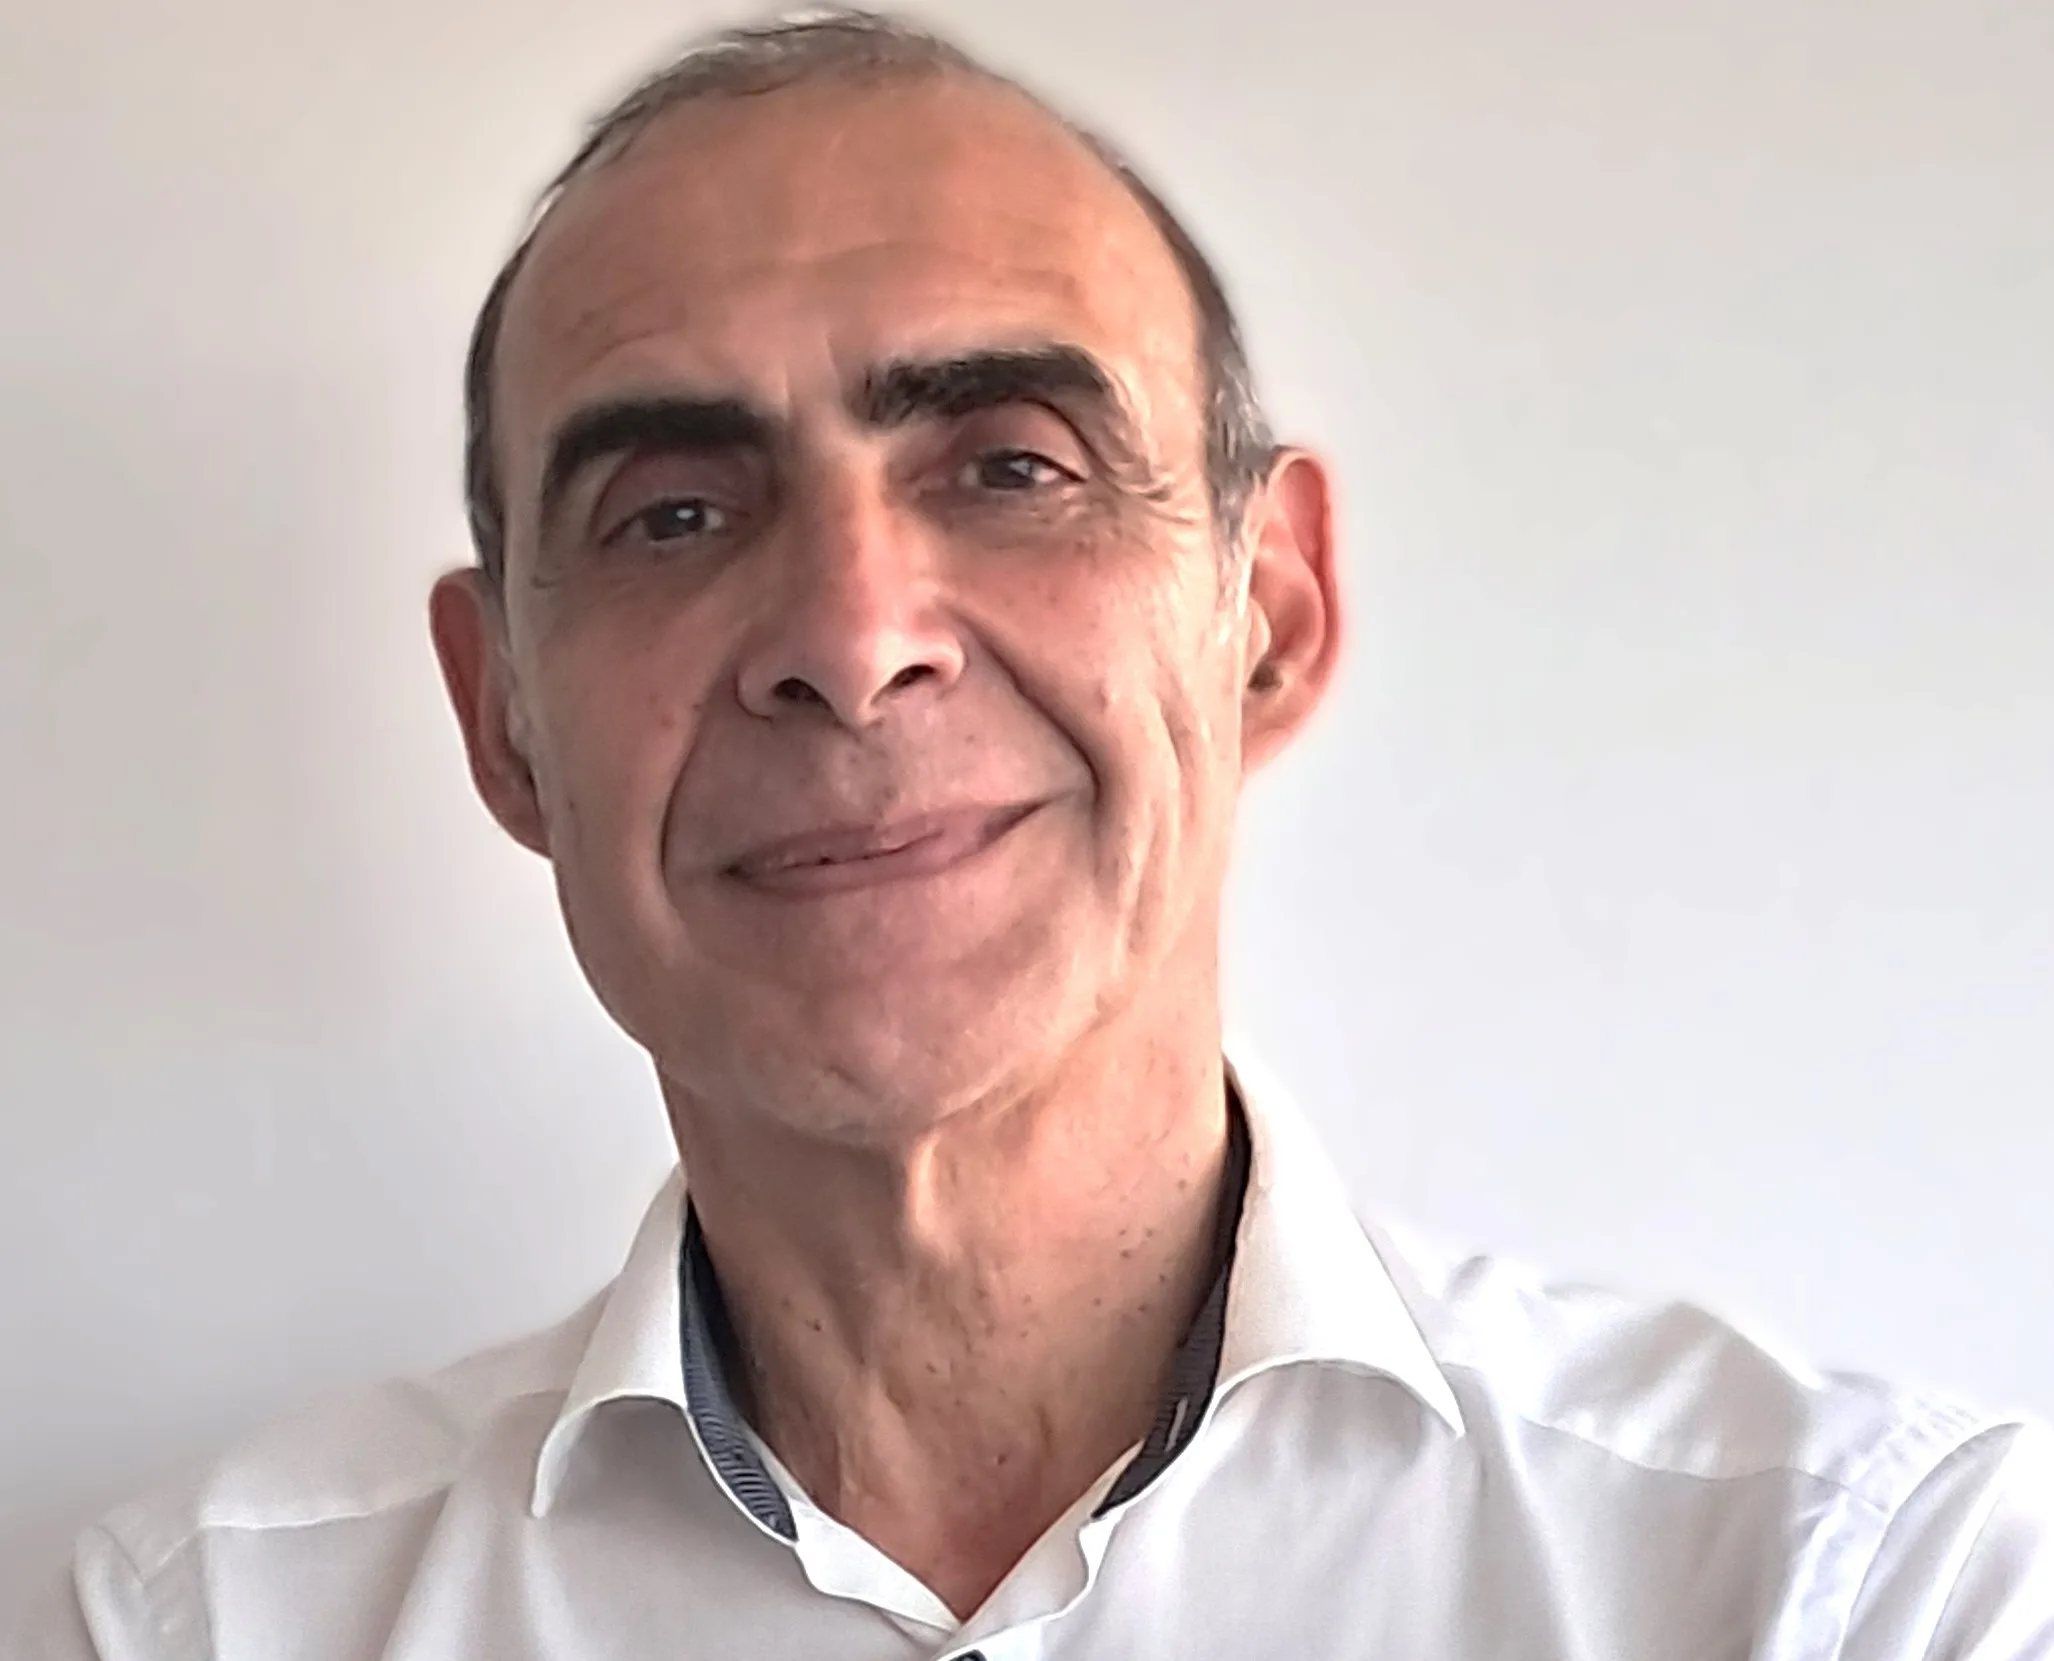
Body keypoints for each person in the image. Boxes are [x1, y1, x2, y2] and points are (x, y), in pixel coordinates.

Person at [14, 9, 2052, 1658]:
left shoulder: (1861, 1591)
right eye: (672, 512)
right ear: (505, 725)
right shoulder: (195, 1627)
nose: (849, 639)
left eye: (1009, 465)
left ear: (1269, 616)